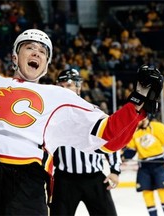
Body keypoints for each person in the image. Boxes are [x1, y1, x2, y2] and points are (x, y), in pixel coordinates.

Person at [0, 22, 163, 216]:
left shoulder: (61, 97)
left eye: (43, 51)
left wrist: (138, 100)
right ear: (15, 57)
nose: (36, 53)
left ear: (47, 65)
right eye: (30, 48)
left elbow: (109, 138)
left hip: (28, 179)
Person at [50, 69, 121, 216]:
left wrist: (115, 171)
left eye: (68, 85)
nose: (65, 90)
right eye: (61, 86)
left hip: (94, 179)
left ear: (78, 87)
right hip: (65, 180)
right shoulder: (52, 115)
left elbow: (111, 138)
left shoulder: (93, 112)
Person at [122, 118, 164, 216]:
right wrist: (122, 157)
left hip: (159, 165)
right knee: (147, 193)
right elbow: (131, 150)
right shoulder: (134, 132)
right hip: (144, 167)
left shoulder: (157, 127)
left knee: (163, 191)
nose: (141, 120)